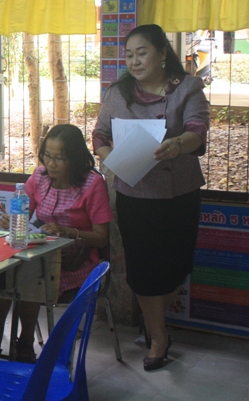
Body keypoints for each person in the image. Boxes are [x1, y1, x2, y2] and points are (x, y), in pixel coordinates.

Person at [92, 24, 209, 371]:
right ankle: (158, 337)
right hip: (135, 194)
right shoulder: (118, 92)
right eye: (129, 55)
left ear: (162, 54)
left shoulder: (187, 87)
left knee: (176, 268)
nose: (134, 61)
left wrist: (177, 144)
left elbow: (198, 129)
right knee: (143, 271)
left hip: (179, 194)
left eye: (142, 53)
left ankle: (154, 317)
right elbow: (99, 133)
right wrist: (111, 158)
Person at [0, 124, 112, 363]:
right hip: (40, 252)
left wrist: (69, 231)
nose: (51, 164)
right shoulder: (39, 177)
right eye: (47, 156)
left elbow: (101, 237)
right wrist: (13, 220)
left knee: (32, 275)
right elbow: (23, 215)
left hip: (76, 260)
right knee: (4, 271)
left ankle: (24, 341)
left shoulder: (92, 184)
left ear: (74, 158)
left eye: (59, 158)